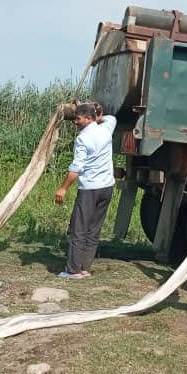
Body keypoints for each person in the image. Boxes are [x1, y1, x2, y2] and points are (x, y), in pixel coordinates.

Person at [54, 102, 117, 279]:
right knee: (93, 229)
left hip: (90, 189)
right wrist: (98, 116)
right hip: (107, 187)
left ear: (88, 119)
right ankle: (85, 268)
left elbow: (76, 168)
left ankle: (73, 270)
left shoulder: (82, 139)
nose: (75, 122)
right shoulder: (106, 129)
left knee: (78, 230)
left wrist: (63, 188)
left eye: (78, 118)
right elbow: (111, 118)